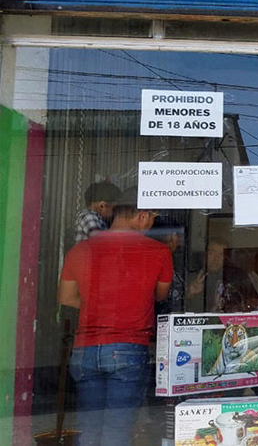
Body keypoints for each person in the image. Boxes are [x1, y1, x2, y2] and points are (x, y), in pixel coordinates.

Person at [59, 188, 172, 446]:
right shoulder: (158, 252)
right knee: (117, 431)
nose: (152, 222)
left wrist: (96, 306)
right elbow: (159, 295)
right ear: (142, 216)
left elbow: (66, 297)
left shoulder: (80, 250)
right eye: (152, 216)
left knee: (88, 429)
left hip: (84, 350)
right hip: (128, 349)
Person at [187, 237, 258, 312]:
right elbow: (179, 306)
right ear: (205, 254)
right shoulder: (192, 274)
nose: (216, 258)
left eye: (221, 254)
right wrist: (190, 292)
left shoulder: (236, 275)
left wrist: (242, 306)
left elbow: (254, 300)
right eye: (212, 252)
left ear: (225, 257)